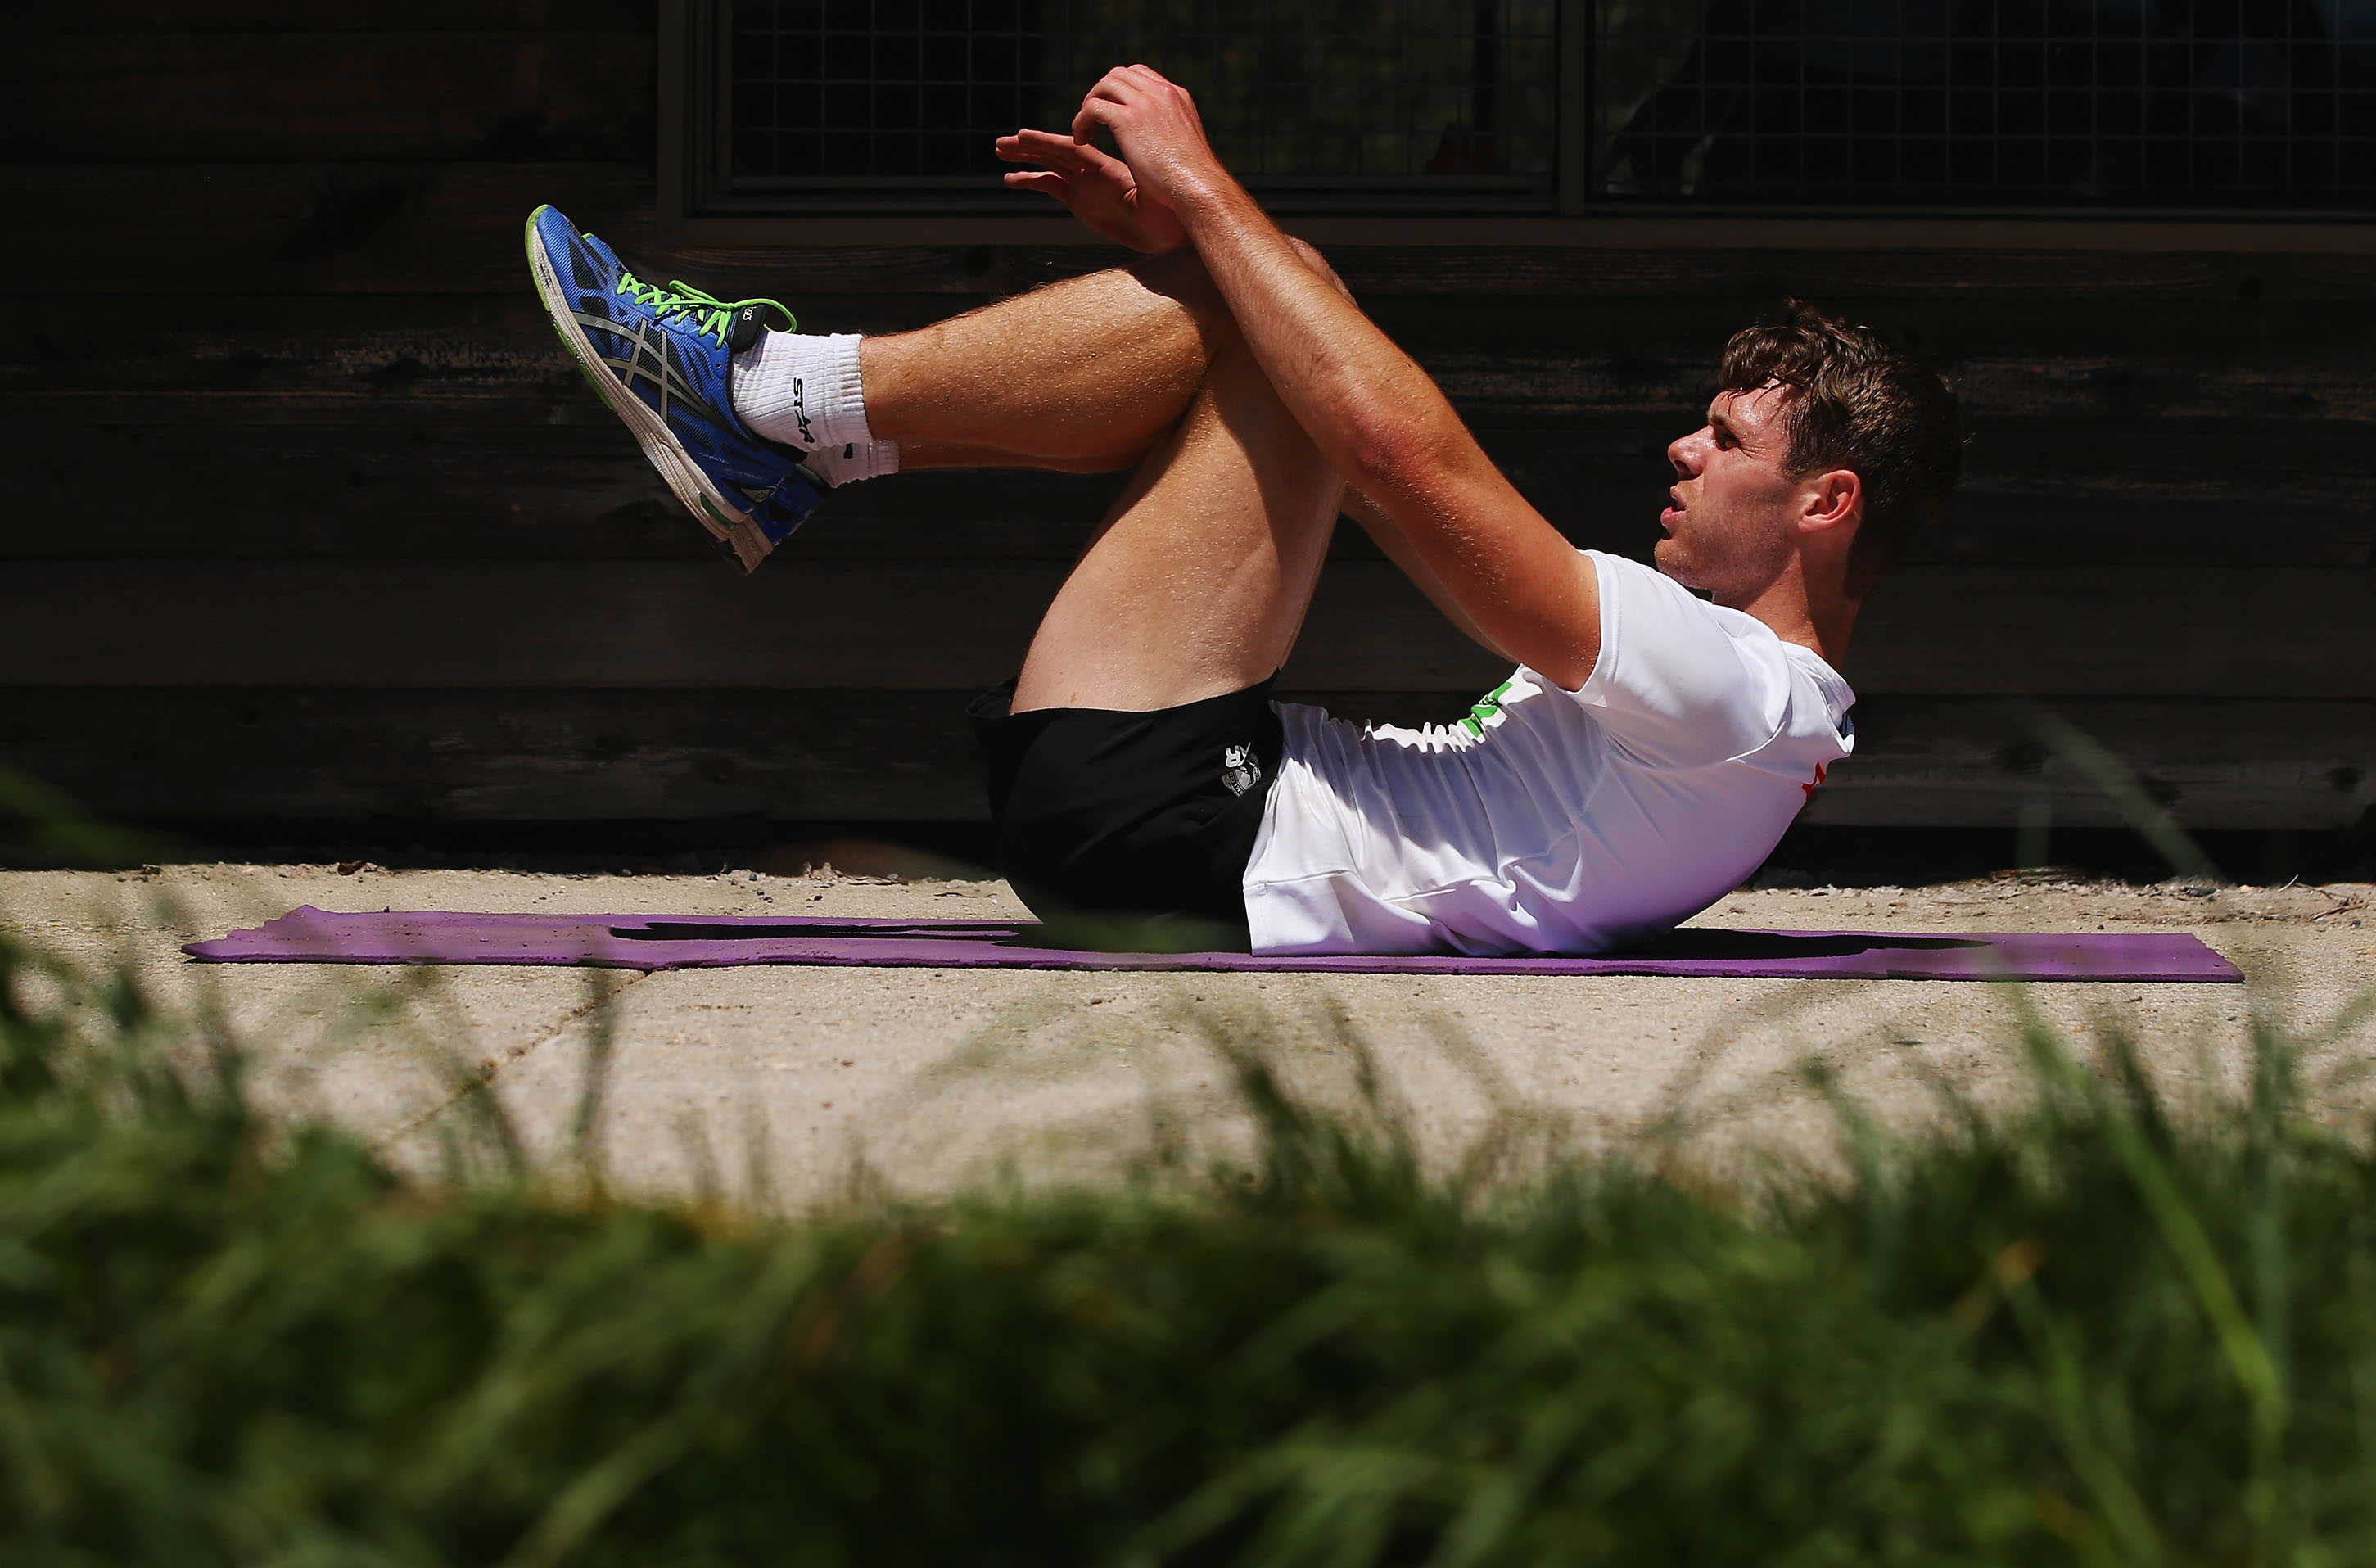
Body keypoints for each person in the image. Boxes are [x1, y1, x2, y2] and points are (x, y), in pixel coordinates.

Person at [522, 66, 1963, 956]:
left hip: (1177, 822)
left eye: (1723, 439)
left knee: (1296, 303)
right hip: (1178, 804)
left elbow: (1400, 463)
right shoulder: (1758, 719)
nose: (1682, 450)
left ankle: (769, 402)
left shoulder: (1737, 696)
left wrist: (1211, 195)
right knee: (1274, 301)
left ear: (1827, 501)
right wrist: (1205, 248)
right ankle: (792, 428)